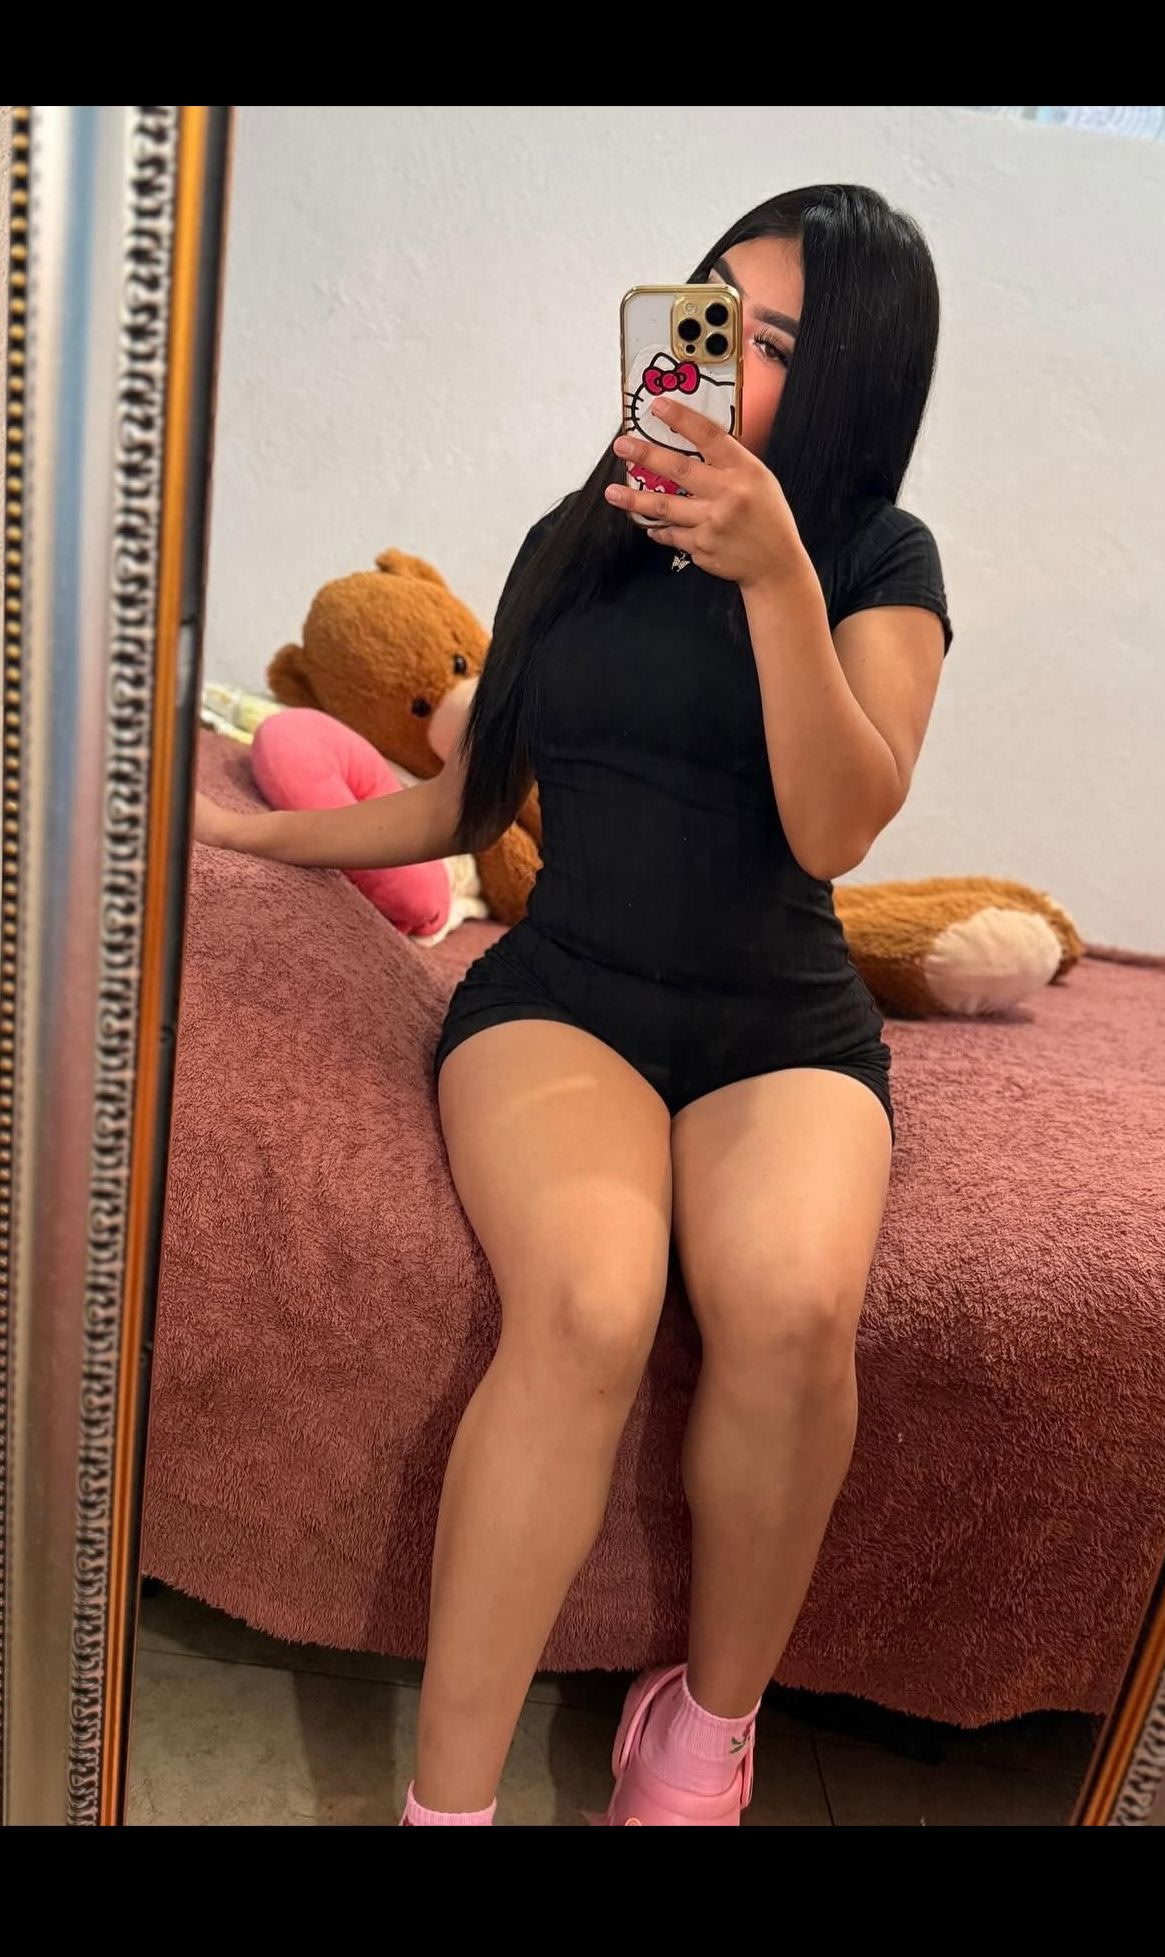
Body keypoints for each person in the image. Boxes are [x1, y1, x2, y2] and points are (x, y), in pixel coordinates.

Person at [195, 183, 951, 1827]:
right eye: (710, 308)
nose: (716, 356)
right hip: (567, 998)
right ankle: (446, 1805)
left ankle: (703, 1728)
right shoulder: (576, 534)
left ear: (851, 377)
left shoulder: (878, 560)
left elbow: (839, 826)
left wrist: (776, 580)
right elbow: (460, 807)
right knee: (591, 1302)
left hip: (780, 1025)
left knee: (792, 1309)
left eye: (772, 340)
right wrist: (250, 831)